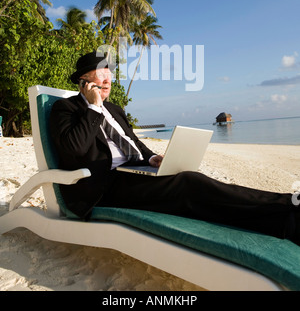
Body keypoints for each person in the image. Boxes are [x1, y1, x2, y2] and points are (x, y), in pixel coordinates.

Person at [49, 51, 300, 245]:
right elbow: (75, 149)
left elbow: (134, 143)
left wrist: (152, 159)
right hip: (105, 187)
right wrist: (93, 108)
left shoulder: (115, 110)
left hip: (134, 174)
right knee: (190, 184)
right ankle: (286, 212)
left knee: (191, 182)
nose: (107, 81)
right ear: (84, 83)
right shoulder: (67, 109)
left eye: (109, 76)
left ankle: (287, 209)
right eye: (100, 76)